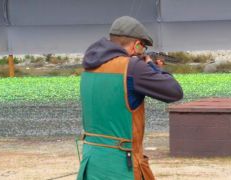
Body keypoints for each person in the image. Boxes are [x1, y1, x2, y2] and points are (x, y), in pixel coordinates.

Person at [77, 16, 183, 180]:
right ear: (136, 45)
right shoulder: (132, 67)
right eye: (143, 48)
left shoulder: (89, 67)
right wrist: (151, 66)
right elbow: (174, 91)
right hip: (121, 167)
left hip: (92, 163)